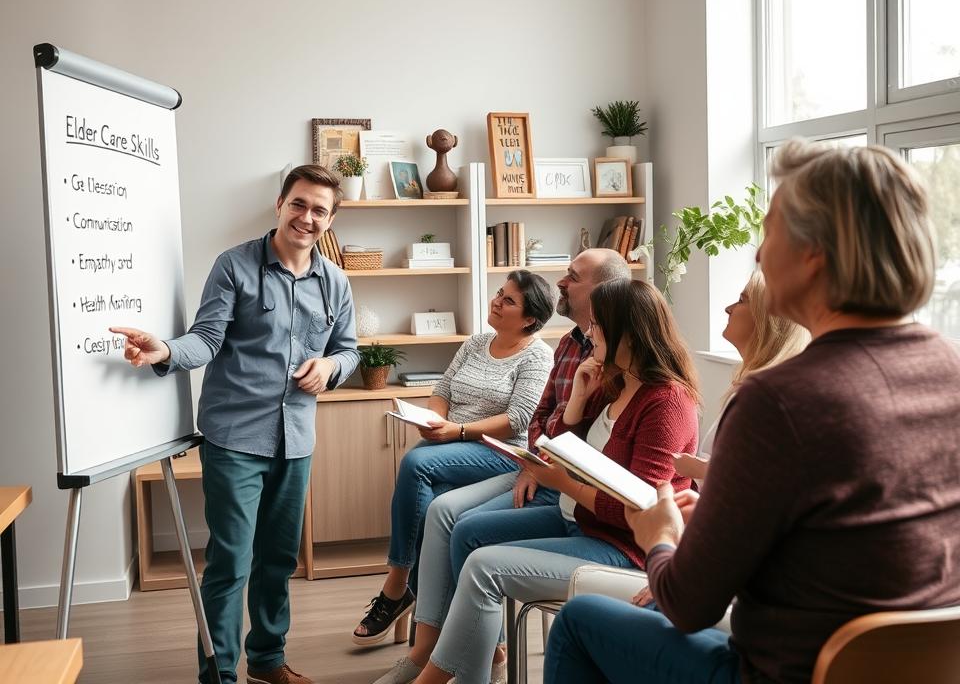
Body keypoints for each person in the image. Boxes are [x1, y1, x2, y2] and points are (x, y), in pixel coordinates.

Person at [545, 139, 960, 684]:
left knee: (580, 620)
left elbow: (687, 604)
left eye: (769, 233)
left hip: (783, 672)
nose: (760, 256)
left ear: (815, 255)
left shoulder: (777, 400)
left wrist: (660, 535)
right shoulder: (948, 367)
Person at [375, 278, 700, 684]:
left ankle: (439, 673)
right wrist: (579, 401)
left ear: (628, 334)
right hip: (580, 520)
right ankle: (475, 666)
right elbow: (555, 445)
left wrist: (561, 482)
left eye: (598, 325)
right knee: (467, 532)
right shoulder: (613, 383)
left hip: (621, 547)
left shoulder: (666, 403)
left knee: (481, 564)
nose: (589, 333)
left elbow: (637, 510)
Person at [112, 165, 359, 684]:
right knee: (229, 563)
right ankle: (219, 675)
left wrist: (332, 367)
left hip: (297, 440)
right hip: (234, 439)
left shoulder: (336, 281)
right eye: (299, 204)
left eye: (319, 210)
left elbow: (348, 350)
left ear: (331, 220)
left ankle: (267, 662)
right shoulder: (235, 265)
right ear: (280, 204)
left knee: (278, 559)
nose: (306, 217)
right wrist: (165, 350)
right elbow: (205, 338)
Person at [352, 270, 555, 646]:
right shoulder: (477, 342)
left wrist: (457, 431)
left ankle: (397, 586)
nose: (496, 301)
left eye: (509, 300)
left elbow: (519, 418)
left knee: (416, 463)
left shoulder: (538, 356)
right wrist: (435, 419)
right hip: (450, 447)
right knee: (435, 497)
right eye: (499, 293)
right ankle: (439, 621)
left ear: (530, 318)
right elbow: (442, 388)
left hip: (502, 451)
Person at [672, 270, 809, 484]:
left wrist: (700, 469)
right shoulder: (752, 385)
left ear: (768, 317)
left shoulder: (768, 396)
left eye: (741, 301)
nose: (728, 309)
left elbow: (763, 477)